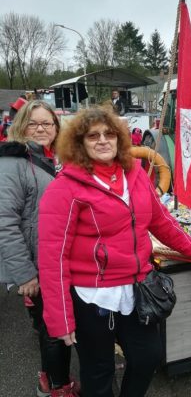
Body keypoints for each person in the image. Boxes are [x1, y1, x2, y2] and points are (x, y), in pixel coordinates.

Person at [38, 106, 191, 397]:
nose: (103, 140)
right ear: (80, 143)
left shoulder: (136, 175)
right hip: (92, 296)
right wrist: (60, 319)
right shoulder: (63, 189)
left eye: (109, 134)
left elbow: (161, 221)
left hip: (136, 287)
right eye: (93, 136)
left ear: (120, 139)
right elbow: (52, 259)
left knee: (147, 358)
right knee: (98, 371)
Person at [0, 100, 78, 396]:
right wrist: (25, 275)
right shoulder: (12, 163)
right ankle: (58, 387)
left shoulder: (50, 159)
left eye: (47, 123)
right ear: (21, 127)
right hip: (37, 266)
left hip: (55, 261)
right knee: (54, 329)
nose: (41, 129)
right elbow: (4, 222)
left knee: (50, 326)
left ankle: (50, 376)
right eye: (33, 123)